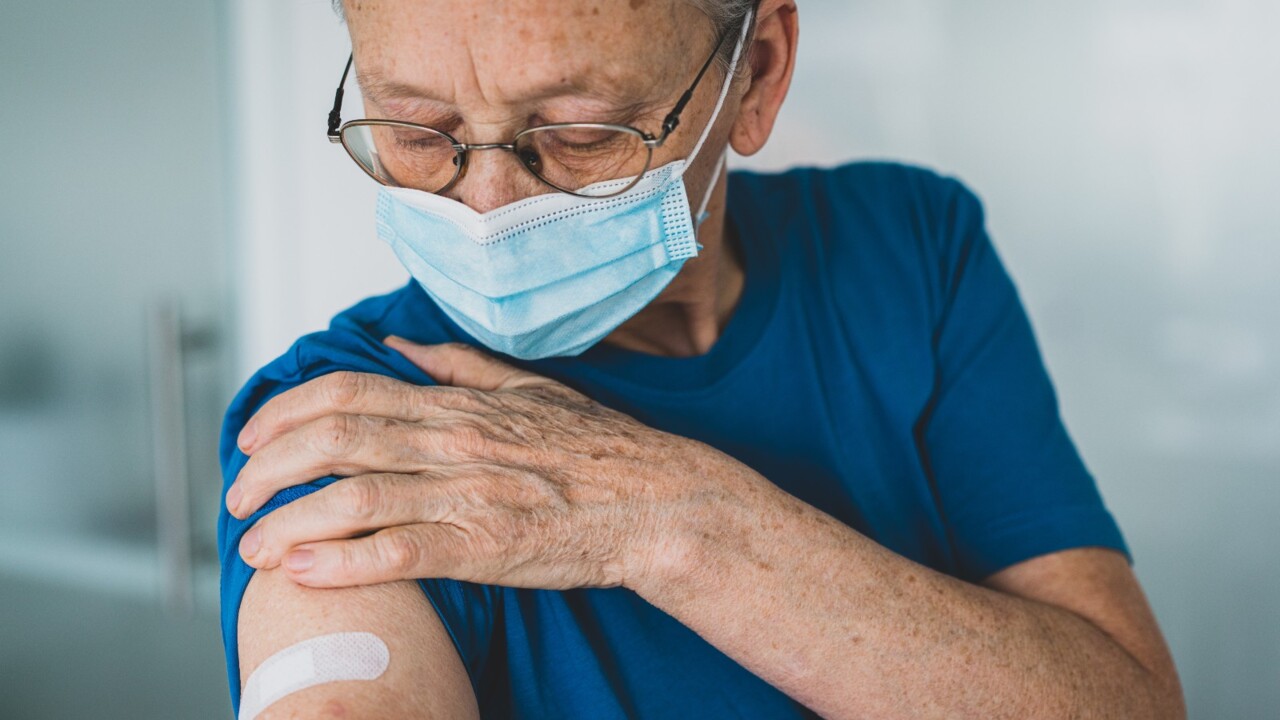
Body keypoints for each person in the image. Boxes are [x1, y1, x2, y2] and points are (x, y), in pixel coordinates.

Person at [218, 0, 1185, 717]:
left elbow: (1127, 702)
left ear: (757, 75)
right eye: (416, 130)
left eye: (578, 133)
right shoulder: (356, 425)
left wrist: (669, 519)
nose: (488, 206)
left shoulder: (907, 249)